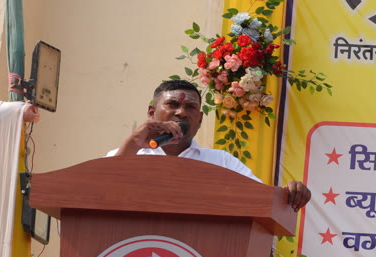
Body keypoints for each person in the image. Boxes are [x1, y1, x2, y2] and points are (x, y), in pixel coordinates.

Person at [109, 78, 310, 209]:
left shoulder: (221, 162)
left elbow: (264, 201)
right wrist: (134, 142)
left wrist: (291, 194)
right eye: (172, 104)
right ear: (152, 112)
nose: (181, 113)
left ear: (200, 119)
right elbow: (101, 190)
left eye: (191, 107)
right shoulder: (128, 154)